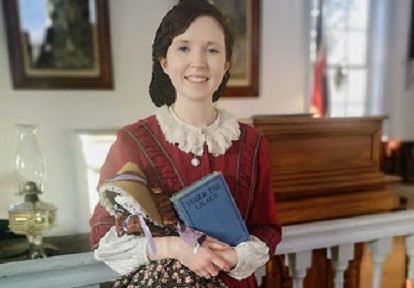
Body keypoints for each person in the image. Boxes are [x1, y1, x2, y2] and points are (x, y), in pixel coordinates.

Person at [89, 0, 282, 287]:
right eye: (183, 47)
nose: (199, 62)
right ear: (164, 61)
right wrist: (174, 248)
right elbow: (103, 235)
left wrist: (234, 257)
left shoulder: (252, 143)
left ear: (226, 63)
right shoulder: (132, 142)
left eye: (212, 50)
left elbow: (266, 228)